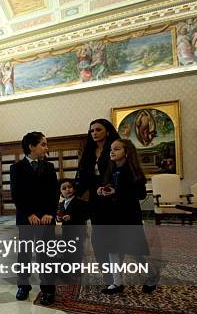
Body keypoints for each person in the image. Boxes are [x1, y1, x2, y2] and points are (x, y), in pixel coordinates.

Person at [97, 139, 157, 294]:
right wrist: (102, 191)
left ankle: (151, 276)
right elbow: (110, 188)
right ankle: (117, 283)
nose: (112, 152)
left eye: (116, 149)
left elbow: (140, 194)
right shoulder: (110, 170)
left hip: (129, 216)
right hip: (112, 216)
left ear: (127, 152)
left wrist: (117, 192)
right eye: (111, 149)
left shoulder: (133, 171)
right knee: (112, 249)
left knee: (135, 251)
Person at [10, 132, 59, 305]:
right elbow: (17, 194)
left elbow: (54, 193)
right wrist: (28, 214)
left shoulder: (50, 167)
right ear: (31, 146)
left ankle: (48, 289)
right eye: (43, 144)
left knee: (46, 255)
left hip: (46, 218)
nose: (47, 148)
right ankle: (23, 286)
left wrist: (49, 213)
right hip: (26, 218)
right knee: (24, 253)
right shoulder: (16, 168)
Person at [75, 119, 120, 287]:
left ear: (107, 131)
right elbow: (82, 177)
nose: (94, 133)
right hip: (95, 199)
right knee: (97, 239)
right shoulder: (89, 150)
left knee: (113, 239)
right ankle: (108, 276)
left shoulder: (115, 148)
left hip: (112, 199)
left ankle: (116, 277)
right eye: (91, 130)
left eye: (98, 129)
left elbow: (120, 172)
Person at [57, 178, 89, 283]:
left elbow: (85, 215)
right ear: (61, 192)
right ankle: (68, 270)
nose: (67, 190)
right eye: (64, 188)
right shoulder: (62, 204)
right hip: (67, 232)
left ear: (74, 189)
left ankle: (76, 270)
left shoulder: (80, 202)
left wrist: (72, 217)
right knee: (68, 250)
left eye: (70, 187)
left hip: (78, 231)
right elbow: (61, 215)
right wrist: (59, 218)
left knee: (77, 251)